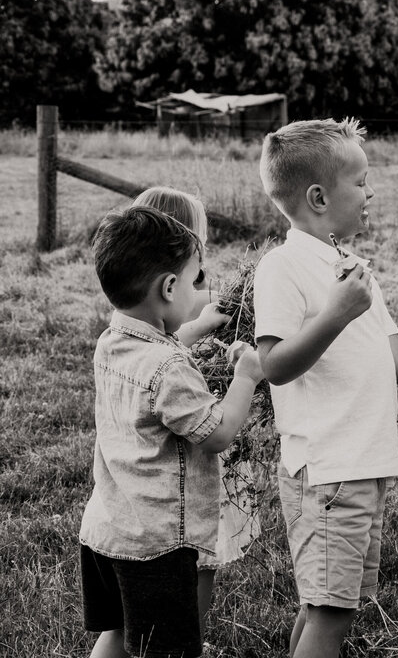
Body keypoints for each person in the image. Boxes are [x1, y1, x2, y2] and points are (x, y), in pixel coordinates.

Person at [254, 118, 398, 658]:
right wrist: (337, 314)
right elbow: (272, 364)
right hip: (326, 472)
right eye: (362, 181)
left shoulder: (355, 269)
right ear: (319, 197)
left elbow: (397, 362)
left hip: (364, 468)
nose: (372, 191)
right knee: (331, 613)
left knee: (324, 606)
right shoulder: (283, 267)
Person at [80, 206, 263, 658]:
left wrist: (196, 326)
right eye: (195, 280)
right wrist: (246, 376)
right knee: (168, 651)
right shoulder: (171, 369)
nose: (200, 289)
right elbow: (217, 433)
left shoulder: (112, 342)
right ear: (168, 287)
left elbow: (157, 356)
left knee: (122, 632)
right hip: (157, 549)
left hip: (108, 531)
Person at [131, 185, 260, 620]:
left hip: (172, 451)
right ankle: (189, 639)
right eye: (199, 243)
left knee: (194, 568)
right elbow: (164, 347)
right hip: (188, 453)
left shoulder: (146, 301)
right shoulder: (171, 306)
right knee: (199, 563)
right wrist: (207, 330)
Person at [131, 187, 228, 348]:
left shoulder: (131, 288)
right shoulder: (202, 300)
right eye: (201, 232)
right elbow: (155, 345)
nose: (205, 238)